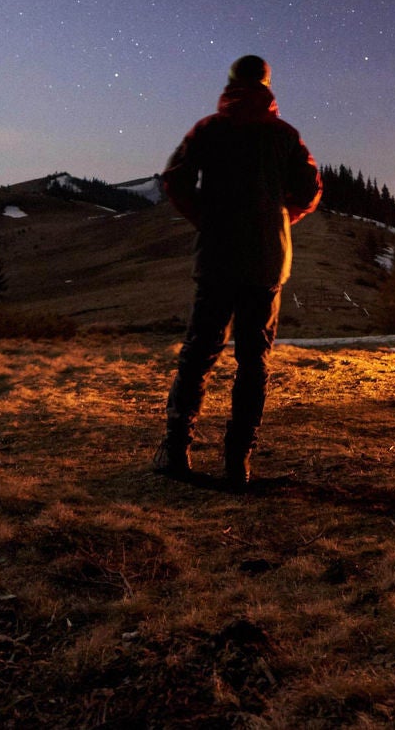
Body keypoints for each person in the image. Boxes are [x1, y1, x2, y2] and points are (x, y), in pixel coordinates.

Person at [153, 54, 321, 489]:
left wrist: (206, 218)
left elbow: (174, 179)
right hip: (266, 261)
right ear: (267, 84)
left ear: (230, 83)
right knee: (254, 362)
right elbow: (310, 189)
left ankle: (175, 452)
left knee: (198, 355)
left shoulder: (209, 130)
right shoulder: (284, 136)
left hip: (216, 256)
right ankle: (237, 462)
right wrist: (279, 219)